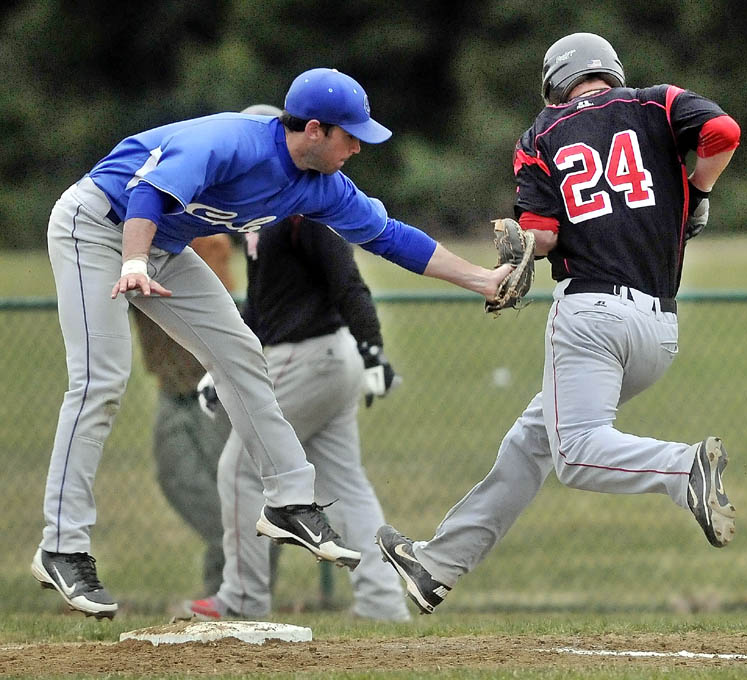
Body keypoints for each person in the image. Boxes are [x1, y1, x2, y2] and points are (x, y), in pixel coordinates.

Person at [31, 67, 511, 619]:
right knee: (100, 381)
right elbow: (145, 191)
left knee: (239, 352)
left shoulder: (320, 185)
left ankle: (289, 501)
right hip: (98, 225)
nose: (358, 146)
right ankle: (63, 546)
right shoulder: (230, 141)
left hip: (162, 246)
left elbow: (391, 237)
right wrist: (133, 261)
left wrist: (481, 278)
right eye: (349, 135)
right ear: (313, 130)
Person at [377, 32, 741, 615]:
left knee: (575, 454)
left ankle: (682, 470)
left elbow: (540, 236)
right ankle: (437, 565)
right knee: (530, 442)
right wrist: (698, 188)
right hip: (659, 331)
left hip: (590, 317)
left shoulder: (541, 133)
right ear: (611, 71)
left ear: (555, 81)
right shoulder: (657, 102)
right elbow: (724, 133)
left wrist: (513, 258)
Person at [185, 209, 410, 622]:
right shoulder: (265, 209)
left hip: (308, 355)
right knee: (345, 482)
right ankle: (383, 604)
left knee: (240, 469)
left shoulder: (300, 210)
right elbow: (261, 304)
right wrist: (218, 368)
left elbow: (346, 280)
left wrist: (373, 346)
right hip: (324, 357)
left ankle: (242, 599)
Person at [131, 233, 235, 596]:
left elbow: (219, 287)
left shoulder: (200, 239)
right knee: (175, 475)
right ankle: (231, 561)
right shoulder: (128, 247)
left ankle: (231, 587)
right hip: (170, 384)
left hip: (210, 385)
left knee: (230, 482)